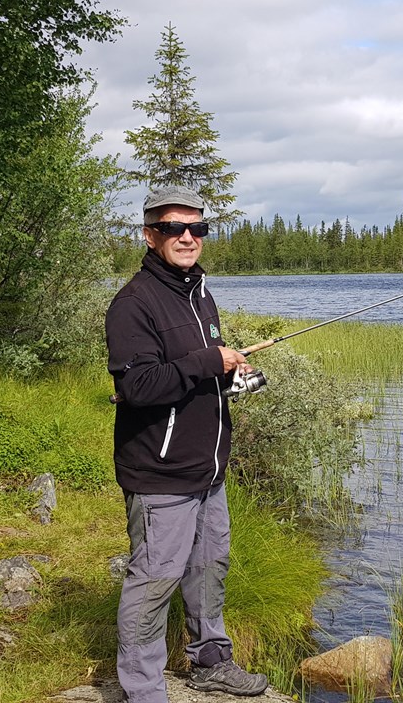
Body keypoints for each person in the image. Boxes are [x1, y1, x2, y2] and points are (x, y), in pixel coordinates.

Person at [105, 185, 268, 700]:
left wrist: (230, 373)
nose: (187, 237)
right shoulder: (133, 304)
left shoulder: (199, 293)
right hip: (161, 474)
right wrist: (207, 361)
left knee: (207, 569)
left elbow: (192, 374)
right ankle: (144, 690)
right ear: (150, 235)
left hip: (207, 469)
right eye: (173, 227)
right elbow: (137, 386)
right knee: (153, 582)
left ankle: (211, 662)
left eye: (197, 227)